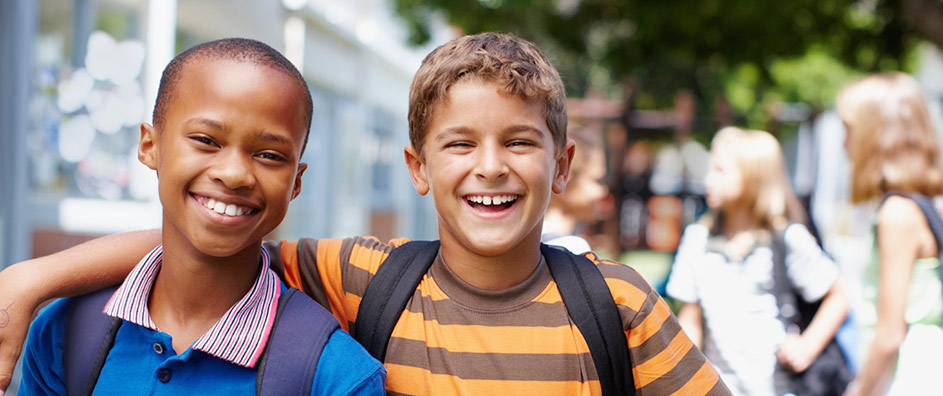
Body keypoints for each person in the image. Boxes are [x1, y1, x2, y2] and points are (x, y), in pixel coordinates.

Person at [0, 33, 730, 395]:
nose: (490, 166)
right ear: (417, 168)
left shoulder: (615, 303)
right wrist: (30, 281)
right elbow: (205, 243)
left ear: (561, 165)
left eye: (518, 142)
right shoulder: (362, 276)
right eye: (458, 143)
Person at [14, 38, 385, 395]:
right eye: (206, 140)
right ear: (149, 146)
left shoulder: (336, 375)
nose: (235, 173)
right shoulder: (66, 332)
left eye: (270, 155)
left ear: (296, 181)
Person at [667, 127, 849, 395]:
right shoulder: (698, 240)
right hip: (722, 387)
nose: (708, 179)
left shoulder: (786, 239)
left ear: (753, 178)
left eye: (720, 170)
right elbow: (690, 318)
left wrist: (808, 346)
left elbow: (839, 295)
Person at [837, 72, 943, 396]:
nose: (844, 143)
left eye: (850, 130)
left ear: (876, 136)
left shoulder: (896, 213)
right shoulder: (923, 204)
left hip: (909, 377)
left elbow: (890, 333)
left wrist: (860, 391)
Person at [541, 125, 609, 254]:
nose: (603, 191)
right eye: (596, 180)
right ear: (563, 177)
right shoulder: (572, 248)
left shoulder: (528, 242)